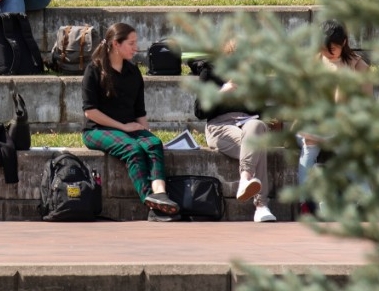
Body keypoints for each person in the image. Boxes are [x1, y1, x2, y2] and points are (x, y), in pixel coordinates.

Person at [81, 22, 176, 221]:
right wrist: (123, 127)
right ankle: (148, 199)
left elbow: (139, 112)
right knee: (132, 149)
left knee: (153, 143)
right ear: (116, 44)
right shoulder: (94, 70)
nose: (136, 48)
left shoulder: (133, 73)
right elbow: (90, 112)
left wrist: (146, 133)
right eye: (131, 43)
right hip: (97, 130)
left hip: (128, 128)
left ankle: (160, 194)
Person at [194, 41, 276, 223]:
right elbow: (199, 111)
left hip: (247, 124)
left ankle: (245, 179)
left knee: (258, 126)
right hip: (220, 126)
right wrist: (223, 91)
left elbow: (260, 112)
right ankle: (261, 205)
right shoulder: (210, 73)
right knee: (257, 145)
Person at [298, 20, 372, 187]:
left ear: (344, 42)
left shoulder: (360, 68)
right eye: (323, 49)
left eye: (332, 49)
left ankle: (366, 199)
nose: (327, 53)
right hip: (313, 126)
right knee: (309, 145)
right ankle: (305, 203)